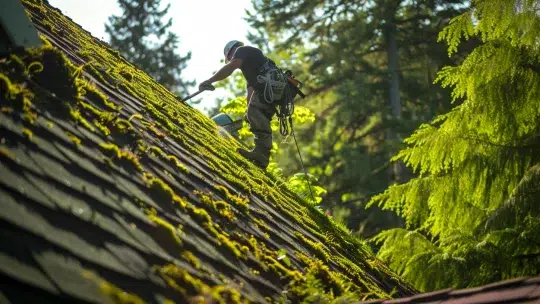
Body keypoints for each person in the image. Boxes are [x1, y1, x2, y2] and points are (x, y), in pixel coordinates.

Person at [199, 40, 287, 169]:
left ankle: (261, 153)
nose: (230, 59)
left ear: (231, 52)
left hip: (269, 85)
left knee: (256, 112)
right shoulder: (252, 68)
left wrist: (210, 81)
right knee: (256, 114)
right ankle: (261, 154)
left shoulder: (242, 50)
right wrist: (248, 113)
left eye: (229, 57)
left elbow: (231, 66)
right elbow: (251, 91)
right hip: (274, 88)